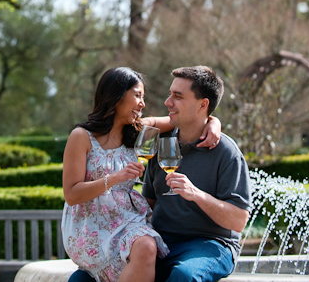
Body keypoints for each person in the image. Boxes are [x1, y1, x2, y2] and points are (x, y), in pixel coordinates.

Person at [62, 67, 222, 282]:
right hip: (90, 226)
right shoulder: (82, 136)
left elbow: (184, 119)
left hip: (127, 220)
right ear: (116, 96)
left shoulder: (140, 132)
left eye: (143, 97)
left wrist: (214, 122)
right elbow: (71, 194)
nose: (142, 104)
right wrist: (115, 178)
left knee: (147, 245)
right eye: (137, 95)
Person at [142, 66, 251, 282]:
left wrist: (196, 194)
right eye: (170, 93)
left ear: (203, 105)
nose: (168, 102)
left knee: (183, 276)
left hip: (211, 244)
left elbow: (239, 221)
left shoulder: (226, 152)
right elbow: (149, 203)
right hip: (161, 242)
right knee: (88, 276)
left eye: (177, 96)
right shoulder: (161, 143)